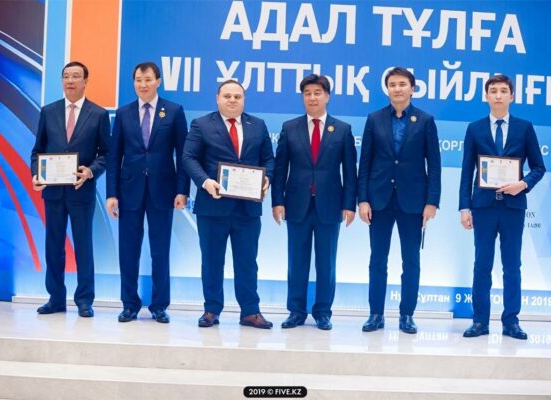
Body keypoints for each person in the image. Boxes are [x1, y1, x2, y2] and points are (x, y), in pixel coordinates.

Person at [182, 80, 274, 329]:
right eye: (227, 96)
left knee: (247, 262)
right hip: (212, 207)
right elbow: (188, 158)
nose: (232, 100)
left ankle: (250, 311)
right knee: (212, 261)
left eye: (237, 96)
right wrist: (204, 182)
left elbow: (269, 159)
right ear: (217, 98)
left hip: (247, 209)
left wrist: (267, 178)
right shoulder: (201, 124)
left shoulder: (258, 125)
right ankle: (211, 310)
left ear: (243, 100)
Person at [459, 75, 545, 340]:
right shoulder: (474, 128)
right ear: (486, 96)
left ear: (512, 96)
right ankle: (479, 321)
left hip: (512, 207)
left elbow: (539, 167)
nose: (498, 95)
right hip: (483, 206)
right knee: (482, 265)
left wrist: (523, 184)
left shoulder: (524, 127)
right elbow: (467, 171)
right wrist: (464, 208)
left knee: (512, 266)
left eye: (503, 91)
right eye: (493, 91)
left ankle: (511, 322)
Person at [357, 67, 441, 334]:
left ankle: (407, 315)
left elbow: (434, 165)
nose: (397, 89)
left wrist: (432, 202)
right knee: (377, 260)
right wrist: (363, 200)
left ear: (412, 89)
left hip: (413, 201)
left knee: (411, 261)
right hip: (379, 200)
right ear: (387, 89)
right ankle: (376, 314)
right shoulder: (374, 119)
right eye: (392, 85)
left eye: (402, 84)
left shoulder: (425, 121)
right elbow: (365, 163)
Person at [106, 62, 190, 324]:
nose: (143, 85)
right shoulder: (123, 113)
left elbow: (184, 154)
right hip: (129, 190)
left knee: (160, 250)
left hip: (162, 190)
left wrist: (182, 190)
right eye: (138, 80)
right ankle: (129, 304)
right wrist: (111, 194)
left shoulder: (173, 111)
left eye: (148, 79)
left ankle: (159, 305)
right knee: (128, 250)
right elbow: (114, 156)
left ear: (158, 81)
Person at [271, 74, 357, 331]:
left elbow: (350, 172)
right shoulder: (290, 128)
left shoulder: (342, 129)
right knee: (296, 261)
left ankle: (323, 312)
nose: (312, 98)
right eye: (307, 93)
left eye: (317, 93)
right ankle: (296, 311)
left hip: (330, 205)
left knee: (326, 263)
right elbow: (280, 168)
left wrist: (349, 204)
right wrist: (277, 201)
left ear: (327, 96)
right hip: (296, 204)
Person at [31, 61, 110, 318]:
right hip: (53, 192)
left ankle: (84, 300)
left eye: (76, 76)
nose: (70, 81)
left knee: (83, 246)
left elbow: (106, 154)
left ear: (85, 81)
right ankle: (55, 298)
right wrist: (37, 174)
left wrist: (90, 171)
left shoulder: (98, 114)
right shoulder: (48, 111)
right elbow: (37, 151)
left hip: (81, 190)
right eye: (66, 76)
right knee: (53, 246)